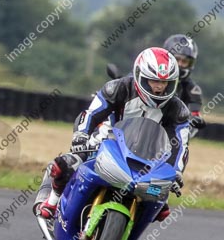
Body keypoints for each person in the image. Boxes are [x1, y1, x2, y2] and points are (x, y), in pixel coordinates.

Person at [34, 47, 190, 222]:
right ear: (140, 76)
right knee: (66, 163)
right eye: (153, 81)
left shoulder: (178, 110)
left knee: (160, 202)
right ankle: (52, 201)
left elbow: (180, 144)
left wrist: (175, 171)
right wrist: (81, 136)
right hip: (106, 141)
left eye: (165, 82)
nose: (159, 87)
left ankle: (129, 239)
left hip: (147, 158)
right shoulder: (117, 88)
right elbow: (91, 113)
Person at [163, 34, 206, 137]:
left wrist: (193, 120)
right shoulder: (150, 78)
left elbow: (194, 115)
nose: (180, 64)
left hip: (171, 136)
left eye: (185, 61)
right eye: (177, 59)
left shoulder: (192, 90)